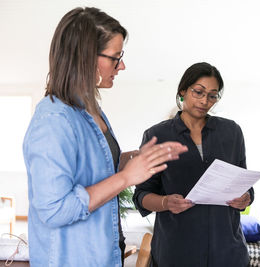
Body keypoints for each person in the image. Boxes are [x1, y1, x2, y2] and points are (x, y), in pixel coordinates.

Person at [22, 7, 187, 267]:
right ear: (86, 58)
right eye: (115, 57)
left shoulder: (91, 109)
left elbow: (90, 169)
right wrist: (125, 177)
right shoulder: (53, 120)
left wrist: (131, 161)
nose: (121, 65)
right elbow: (54, 210)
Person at [133, 62, 254, 267]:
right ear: (183, 91)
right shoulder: (157, 135)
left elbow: (244, 184)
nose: (204, 100)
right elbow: (142, 195)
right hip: (177, 252)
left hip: (227, 251)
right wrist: (165, 203)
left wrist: (246, 198)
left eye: (212, 95)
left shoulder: (232, 132)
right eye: (198, 92)